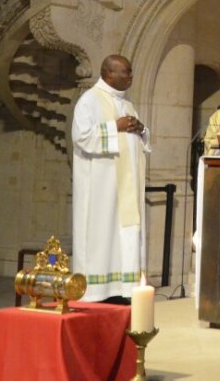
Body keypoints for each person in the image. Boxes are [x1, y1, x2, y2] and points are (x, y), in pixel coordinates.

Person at [71, 54, 151, 303]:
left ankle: (124, 289)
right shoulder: (89, 101)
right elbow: (81, 137)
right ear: (108, 74)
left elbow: (138, 139)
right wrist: (114, 126)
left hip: (125, 187)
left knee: (125, 234)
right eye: (125, 72)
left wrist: (141, 129)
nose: (130, 77)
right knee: (102, 236)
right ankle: (97, 292)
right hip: (101, 189)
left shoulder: (127, 103)